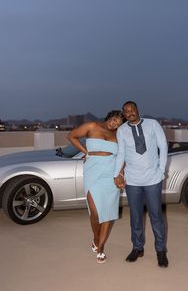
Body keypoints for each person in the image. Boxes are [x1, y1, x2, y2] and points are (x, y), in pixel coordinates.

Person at [114, 101, 169, 267]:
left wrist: (161, 171)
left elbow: (163, 147)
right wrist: (116, 174)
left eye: (132, 109)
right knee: (136, 216)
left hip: (153, 179)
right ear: (124, 114)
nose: (130, 112)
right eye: (126, 111)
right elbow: (121, 153)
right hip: (132, 180)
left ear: (137, 110)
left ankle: (160, 250)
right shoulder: (121, 130)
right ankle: (137, 247)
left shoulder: (153, 124)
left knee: (156, 215)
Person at [67, 110, 125, 263]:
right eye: (113, 120)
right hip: (93, 171)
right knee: (95, 213)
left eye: (118, 123)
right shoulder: (92, 126)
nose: (114, 124)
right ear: (109, 117)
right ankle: (95, 237)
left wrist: (121, 174)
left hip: (111, 172)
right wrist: (85, 151)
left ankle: (100, 247)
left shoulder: (119, 135)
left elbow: (123, 156)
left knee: (108, 212)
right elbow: (71, 136)